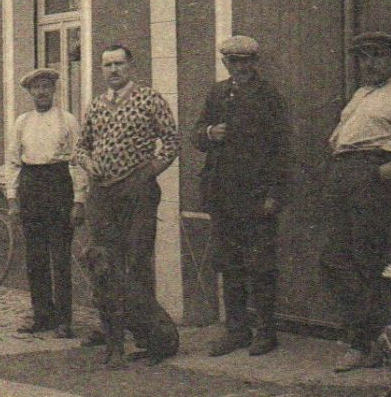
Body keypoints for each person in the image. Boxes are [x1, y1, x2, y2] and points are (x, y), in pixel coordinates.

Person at [319, 31, 391, 371]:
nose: (368, 64)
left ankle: (362, 343)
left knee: (367, 262)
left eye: (376, 56)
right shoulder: (362, 94)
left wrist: (373, 178)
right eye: (363, 57)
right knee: (334, 259)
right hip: (343, 175)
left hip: (371, 178)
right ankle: (372, 338)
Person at [75, 43, 181, 363]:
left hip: (137, 192)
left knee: (137, 263)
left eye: (119, 64)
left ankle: (154, 341)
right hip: (103, 194)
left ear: (130, 67)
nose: (114, 71)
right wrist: (88, 162)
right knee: (105, 266)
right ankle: (116, 340)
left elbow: (171, 142)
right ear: (101, 70)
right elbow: (81, 148)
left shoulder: (149, 98)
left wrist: (148, 173)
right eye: (107, 65)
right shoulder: (95, 106)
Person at [191, 35, 293, 357]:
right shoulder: (218, 93)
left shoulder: (269, 96)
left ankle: (266, 331)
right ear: (225, 64)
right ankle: (236, 330)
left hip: (256, 194)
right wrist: (210, 133)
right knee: (228, 262)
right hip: (223, 193)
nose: (240, 68)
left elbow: (282, 148)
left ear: (255, 63)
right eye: (233, 62)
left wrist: (275, 193)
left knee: (260, 264)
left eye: (246, 61)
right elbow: (196, 134)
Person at [5, 67, 85, 338]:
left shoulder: (68, 121)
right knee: (35, 257)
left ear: (54, 90)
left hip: (58, 185)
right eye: (36, 88)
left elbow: (77, 163)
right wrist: (13, 200)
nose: (41, 92)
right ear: (29, 92)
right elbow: (14, 163)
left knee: (60, 257)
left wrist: (79, 200)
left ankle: (64, 320)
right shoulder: (22, 123)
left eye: (46, 87)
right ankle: (42, 315)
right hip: (31, 186)